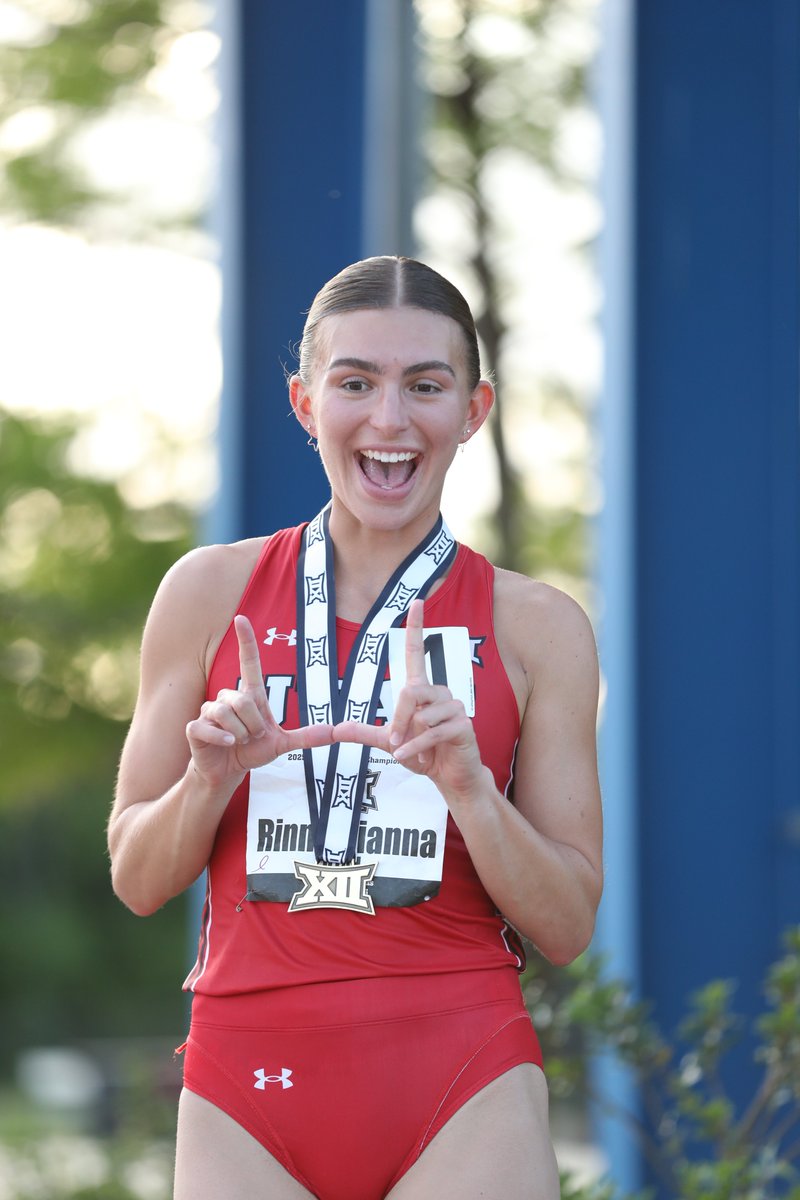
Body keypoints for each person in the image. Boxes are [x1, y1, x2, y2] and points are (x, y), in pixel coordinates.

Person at [108, 255, 603, 1200]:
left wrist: (470, 791)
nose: (389, 419)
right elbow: (136, 876)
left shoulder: (539, 626)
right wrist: (208, 780)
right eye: (355, 383)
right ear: (304, 404)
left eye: (426, 385)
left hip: (462, 1071)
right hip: (248, 1076)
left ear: (475, 410)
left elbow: (569, 922)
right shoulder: (208, 594)